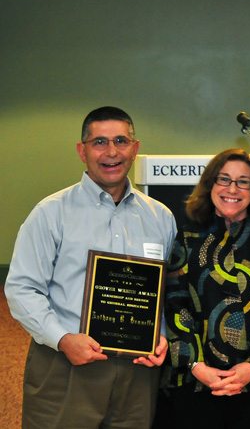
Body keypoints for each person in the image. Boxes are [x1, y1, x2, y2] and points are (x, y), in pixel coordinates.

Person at [4, 106, 177, 428]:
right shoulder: (50, 213)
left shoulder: (160, 217)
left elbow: (166, 291)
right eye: (99, 142)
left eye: (121, 141)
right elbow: (21, 288)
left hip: (137, 371)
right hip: (65, 363)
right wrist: (62, 338)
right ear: (82, 151)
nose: (111, 152)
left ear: (135, 148)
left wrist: (162, 334)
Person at [161, 149, 250, 429]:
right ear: (210, 185)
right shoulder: (187, 237)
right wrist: (197, 366)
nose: (232, 189)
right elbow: (176, 303)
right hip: (196, 380)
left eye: (243, 181)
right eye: (224, 179)